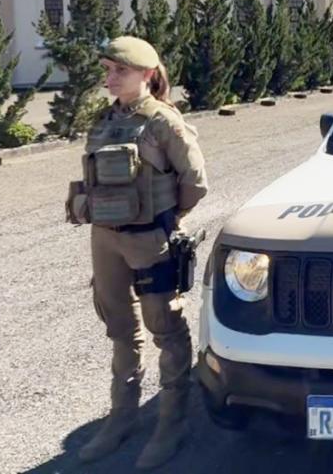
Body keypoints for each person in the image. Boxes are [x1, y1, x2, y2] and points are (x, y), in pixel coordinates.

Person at [68, 36, 209, 469]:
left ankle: (172, 422)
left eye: (120, 71)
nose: (109, 78)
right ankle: (122, 417)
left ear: (147, 74)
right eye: (107, 70)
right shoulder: (104, 119)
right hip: (105, 238)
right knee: (119, 328)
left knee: (164, 327)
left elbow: (196, 181)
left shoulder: (164, 122)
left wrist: (168, 221)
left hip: (150, 237)